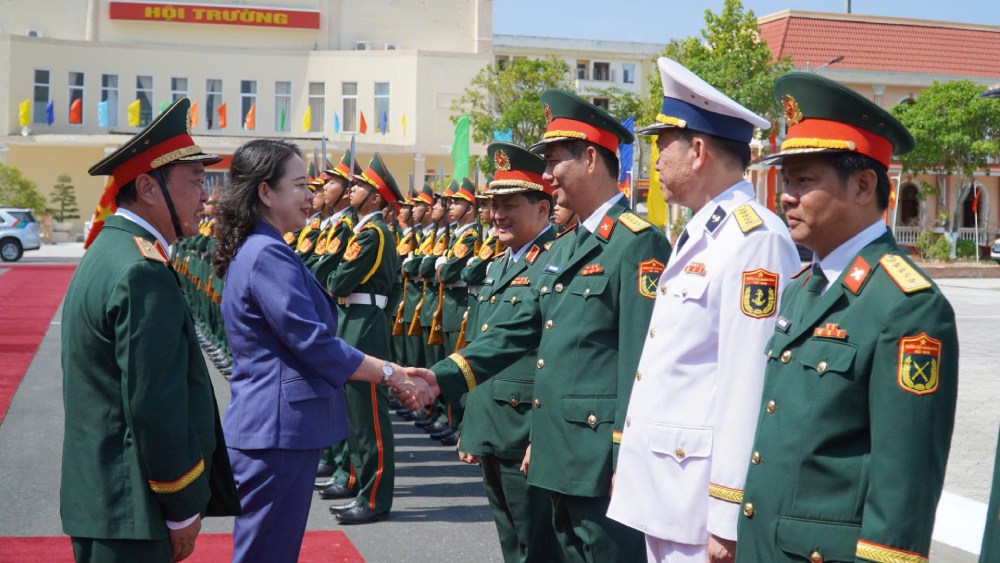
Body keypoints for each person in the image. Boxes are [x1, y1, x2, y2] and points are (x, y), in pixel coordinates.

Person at [409, 90, 670, 563]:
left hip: (600, 462)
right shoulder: (569, 246)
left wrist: (626, 459)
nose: (546, 175)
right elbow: (517, 329)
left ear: (590, 158)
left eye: (553, 162)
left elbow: (641, 364)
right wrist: (441, 376)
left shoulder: (637, 243)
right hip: (561, 454)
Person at [735, 73, 958, 562]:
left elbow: (904, 485)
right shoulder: (800, 289)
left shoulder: (906, 305)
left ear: (862, 185)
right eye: (786, 180)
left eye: (805, 180)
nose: (785, 195)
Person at [606, 58, 800, 563]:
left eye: (660, 146)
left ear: (696, 151)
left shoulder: (754, 239)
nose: (654, 163)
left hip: (702, 504)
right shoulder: (703, 232)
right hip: (669, 488)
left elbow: (749, 384)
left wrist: (728, 514)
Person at [211, 139, 430, 562]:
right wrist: (391, 372)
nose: (310, 196)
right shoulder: (267, 253)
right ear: (265, 193)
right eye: (299, 186)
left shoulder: (261, 247)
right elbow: (312, 342)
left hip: (271, 426)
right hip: (276, 431)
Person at [61, 97, 240, 563]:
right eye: (197, 181)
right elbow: (154, 405)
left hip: (111, 500)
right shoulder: (141, 270)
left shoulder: (112, 251)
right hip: (135, 508)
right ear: (148, 186)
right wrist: (182, 508)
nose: (205, 196)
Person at [457, 142, 560, 563]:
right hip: (493, 427)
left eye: (510, 205)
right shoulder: (497, 265)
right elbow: (481, 346)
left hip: (525, 430)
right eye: (494, 205)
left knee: (538, 546)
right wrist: (471, 423)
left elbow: (556, 359)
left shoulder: (555, 264)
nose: (497, 214)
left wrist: (543, 436)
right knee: (510, 544)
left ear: (542, 208)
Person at [326, 153, 404, 525]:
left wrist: (336, 280)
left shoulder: (372, 234)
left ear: (375, 199)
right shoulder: (368, 232)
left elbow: (339, 281)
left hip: (362, 323)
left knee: (370, 416)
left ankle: (374, 498)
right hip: (357, 319)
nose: (352, 188)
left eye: (360, 186)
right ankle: (359, 484)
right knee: (356, 414)